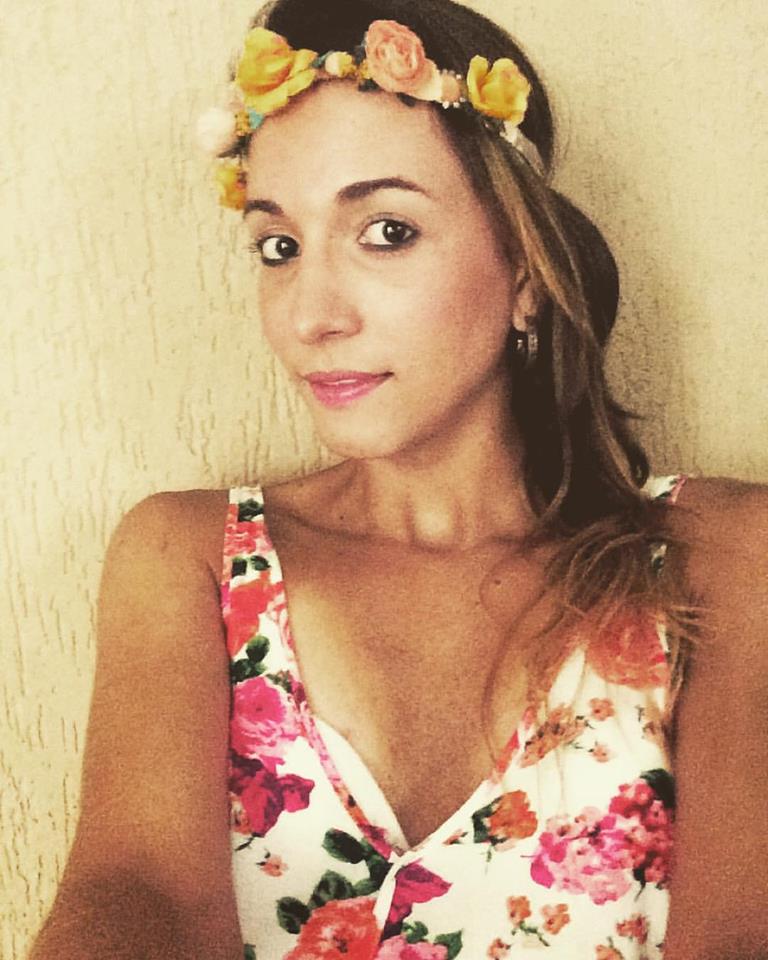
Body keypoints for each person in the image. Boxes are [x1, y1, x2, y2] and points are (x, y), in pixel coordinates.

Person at [29, 1, 767, 958]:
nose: (310, 315)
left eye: (386, 231)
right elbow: (137, 894)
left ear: (525, 272)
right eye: (279, 246)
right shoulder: (192, 557)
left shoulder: (719, 555)